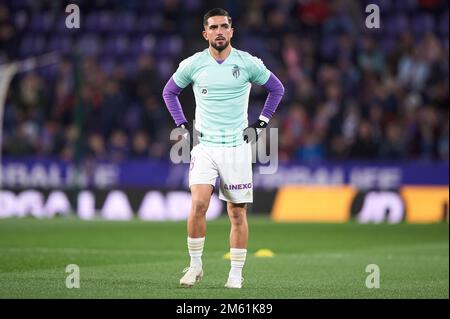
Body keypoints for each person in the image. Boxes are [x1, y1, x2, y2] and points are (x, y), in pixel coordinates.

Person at [162, 8, 284, 289]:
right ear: (205, 33)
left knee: (237, 212)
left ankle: (235, 274)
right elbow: (169, 92)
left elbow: (277, 89)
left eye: (224, 26)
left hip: (236, 148)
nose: (219, 31)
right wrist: (182, 125)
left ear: (232, 31)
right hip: (204, 146)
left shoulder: (247, 63)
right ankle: (195, 266)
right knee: (198, 204)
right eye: (213, 27)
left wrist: (261, 124)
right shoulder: (193, 64)